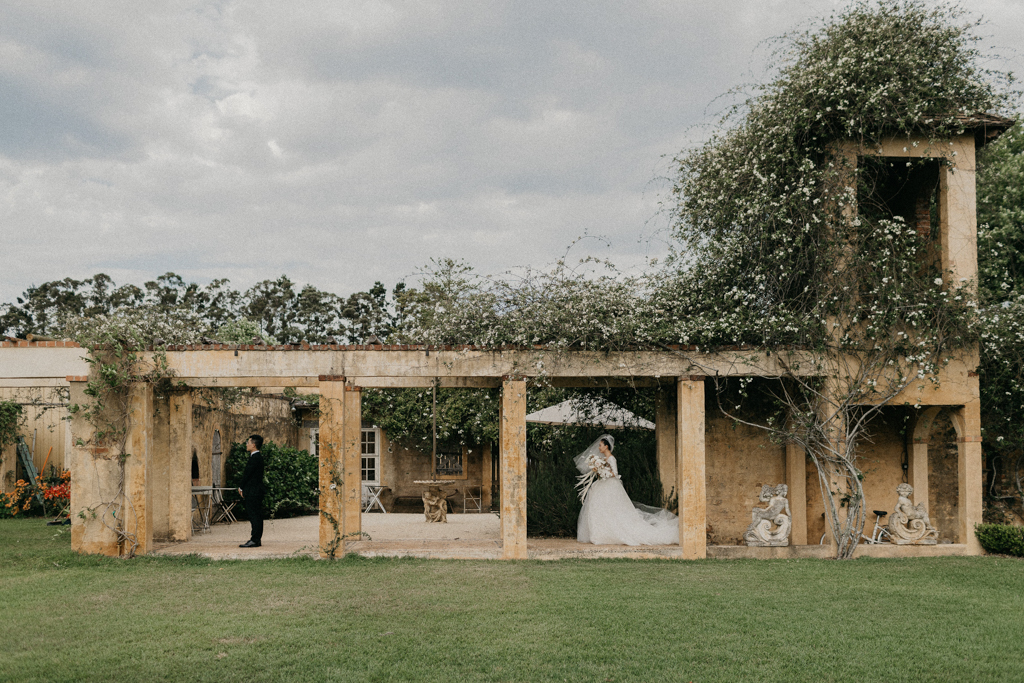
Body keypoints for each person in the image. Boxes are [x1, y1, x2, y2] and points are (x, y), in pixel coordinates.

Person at [575, 434, 679, 546]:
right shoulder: (603, 459)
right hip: (602, 485)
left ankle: (611, 534)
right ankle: (600, 533)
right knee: (600, 508)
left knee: (613, 510)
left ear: (606, 446)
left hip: (611, 486)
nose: (599, 447)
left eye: (600, 445)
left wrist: (602, 470)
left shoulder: (611, 459)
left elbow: (615, 473)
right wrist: (599, 470)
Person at [237, 434, 266, 548]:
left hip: (254, 491)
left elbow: (247, 475)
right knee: (256, 515)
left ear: (253, 445)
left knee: (255, 515)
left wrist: (241, 487)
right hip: (255, 490)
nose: (247, 444)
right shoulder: (256, 457)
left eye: (248, 442)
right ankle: (256, 539)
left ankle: (255, 539)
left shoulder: (255, 458)